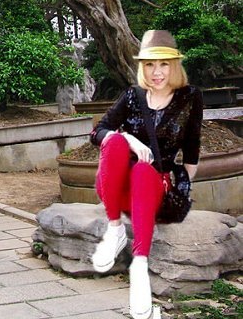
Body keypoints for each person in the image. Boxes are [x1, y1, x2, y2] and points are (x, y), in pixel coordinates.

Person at [89, 30, 203, 319]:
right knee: (114, 141)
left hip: (153, 186)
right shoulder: (132, 95)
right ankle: (114, 229)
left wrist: (185, 188)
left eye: (164, 64)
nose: (156, 72)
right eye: (150, 64)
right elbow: (97, 133)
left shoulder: (190, 98)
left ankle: (139, 264)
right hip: (116, 188)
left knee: (142, 170)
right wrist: (129, 139)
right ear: (143, 67)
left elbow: (192, 147)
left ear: (174, 65)